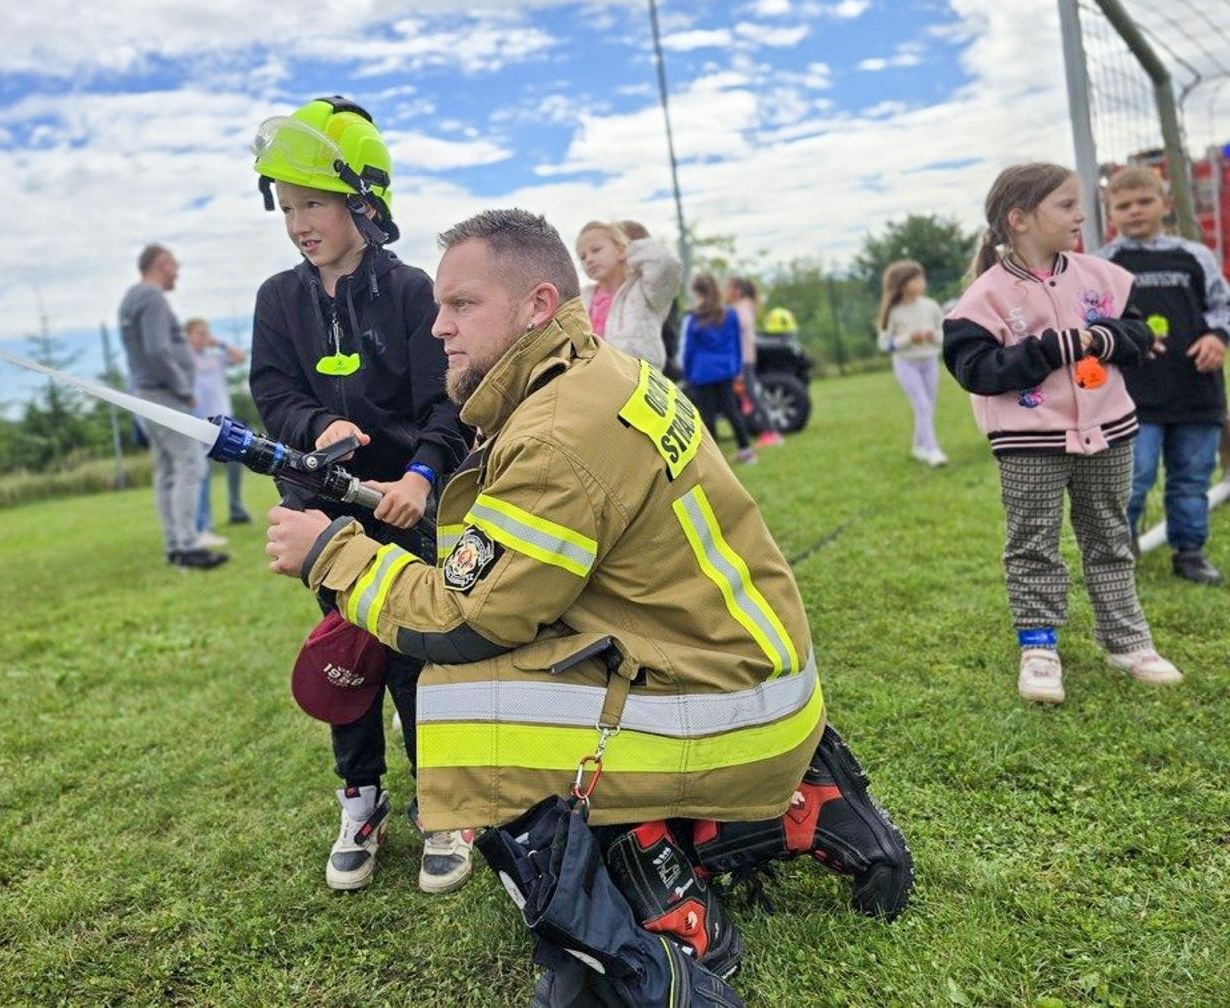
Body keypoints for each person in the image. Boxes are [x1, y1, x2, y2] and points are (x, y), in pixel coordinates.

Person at [266, 209, 912, 998]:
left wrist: (331, 551)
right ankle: (787, 804)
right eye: (439, 306)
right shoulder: (594, 372)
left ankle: (656, 908)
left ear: (537, 306)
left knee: (467, 698)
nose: (438, 327)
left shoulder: (556, 432)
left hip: (727, 703)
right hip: (752, 681)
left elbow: (468, 617)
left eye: (462, 304)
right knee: (533, 657)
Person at [248, 95, 471, 896]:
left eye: (312, 203)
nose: (298, 223)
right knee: (349, 654)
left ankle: (443, 807)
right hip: (323, 510)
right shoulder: (279, 300)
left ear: (364, 202)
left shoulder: (412, 291)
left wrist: (419, 477)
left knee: (414, 654)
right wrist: (318, 427)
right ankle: (361, 799)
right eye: (287, 207)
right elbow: (273, 394)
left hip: (403, 507)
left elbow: (446, 402)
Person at [942, 163, 1183, 705]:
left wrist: (1101, 338)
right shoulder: (983, 298)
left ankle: (1127, 642)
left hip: (1109, 433)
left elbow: (1138, 333)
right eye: (1067, 205)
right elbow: (975, 370)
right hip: (1029, 444)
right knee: (1033, 546)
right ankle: (1038, 647)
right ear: (1019, 218)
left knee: (1109, 538)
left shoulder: (1103, 277)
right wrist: (1049, 349)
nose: (1081, 216)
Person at [1098, 166, 1227, 586]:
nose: (1135, 211)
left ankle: (1189, 551)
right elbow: (1092, 320)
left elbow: (1221, 306)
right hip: (1132, 397)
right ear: (1109, 214)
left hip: (1196, 390)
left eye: (1144, 201)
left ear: (1165, 204)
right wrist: (1123, 340)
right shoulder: (1103, 264)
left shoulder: (1195, 256)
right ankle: (1120, 552)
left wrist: (1217, 337)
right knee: (1132, 478)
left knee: (1192, 477)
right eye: (1123, 205)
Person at [118, 245, 225, 570]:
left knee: (167, 470)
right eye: (175, 266)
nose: (177, 273)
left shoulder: (131, 298)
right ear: (162, 264)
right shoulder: (152, 297)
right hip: (163, 394)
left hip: (145, 393)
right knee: (191, 463)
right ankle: (188, 545)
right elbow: (157, 350)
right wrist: (182, 387)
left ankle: (174, 546)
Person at [576, 220, 682, 367]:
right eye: (582, 257)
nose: (589, 259)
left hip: (639, 376)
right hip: (597, 377)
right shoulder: (582, 297)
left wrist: (629, 250)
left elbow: (666, 264)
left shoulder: (643, 290)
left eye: (596, 250)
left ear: (621, 250)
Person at [876, 260, 948, 467]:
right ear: (902, 284)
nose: (921, 282)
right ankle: (932, 450)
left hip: (930, 361)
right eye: (915, 279)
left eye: (921, 278)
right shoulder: (893, 312)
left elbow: (945, 335)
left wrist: (932, 336)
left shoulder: (931, 306)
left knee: (927, 407)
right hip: (906, 364)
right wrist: (908, 339)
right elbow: (885, 344)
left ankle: (918, 446)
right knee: (922, 404)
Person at [184, 318, 250, 543]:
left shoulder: (214, 358)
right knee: (201, 474)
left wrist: (219, 343)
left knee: (235, 464)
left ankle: (236, 509)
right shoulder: (185, 361)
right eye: (199, 333)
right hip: (199, 423)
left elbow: (240, 357)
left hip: (224, 424)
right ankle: (202, 526)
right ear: (188, 336)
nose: (204, 337)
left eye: (206, 333)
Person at [682, 273, 756, 464]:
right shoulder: (730, 314)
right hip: (725, 369)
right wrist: (736, 368)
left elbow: (689, 349)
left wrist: (687, 373)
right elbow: (737, 343)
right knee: (732, 410)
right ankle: (746, 450)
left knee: (707, 415)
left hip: (702, 371)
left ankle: (713, 461)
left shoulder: (694, 317)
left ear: (697, 292)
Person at [724, 276, 785, 447]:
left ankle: (771, 432)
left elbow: (739, 333)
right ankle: (749, 406)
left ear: (737, 291)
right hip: (746, 358)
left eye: (728, 288)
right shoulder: (744, 306)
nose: (725, 292)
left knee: (754, 395)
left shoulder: (740, 309)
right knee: (752, 393)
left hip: (744, 360)